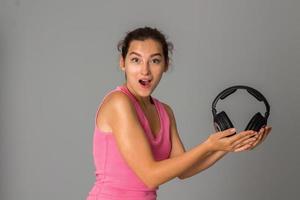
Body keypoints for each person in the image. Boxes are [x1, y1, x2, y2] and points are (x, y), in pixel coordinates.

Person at [86, 26, 272, 200]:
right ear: (122, 63)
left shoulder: (164, 111)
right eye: (136, 60)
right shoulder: (119, 103)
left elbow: (183, 170)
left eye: (155, 61)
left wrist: (226, 146)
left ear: (165, 65)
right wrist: (208, 145)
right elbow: (150, 176)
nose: (145, 70)